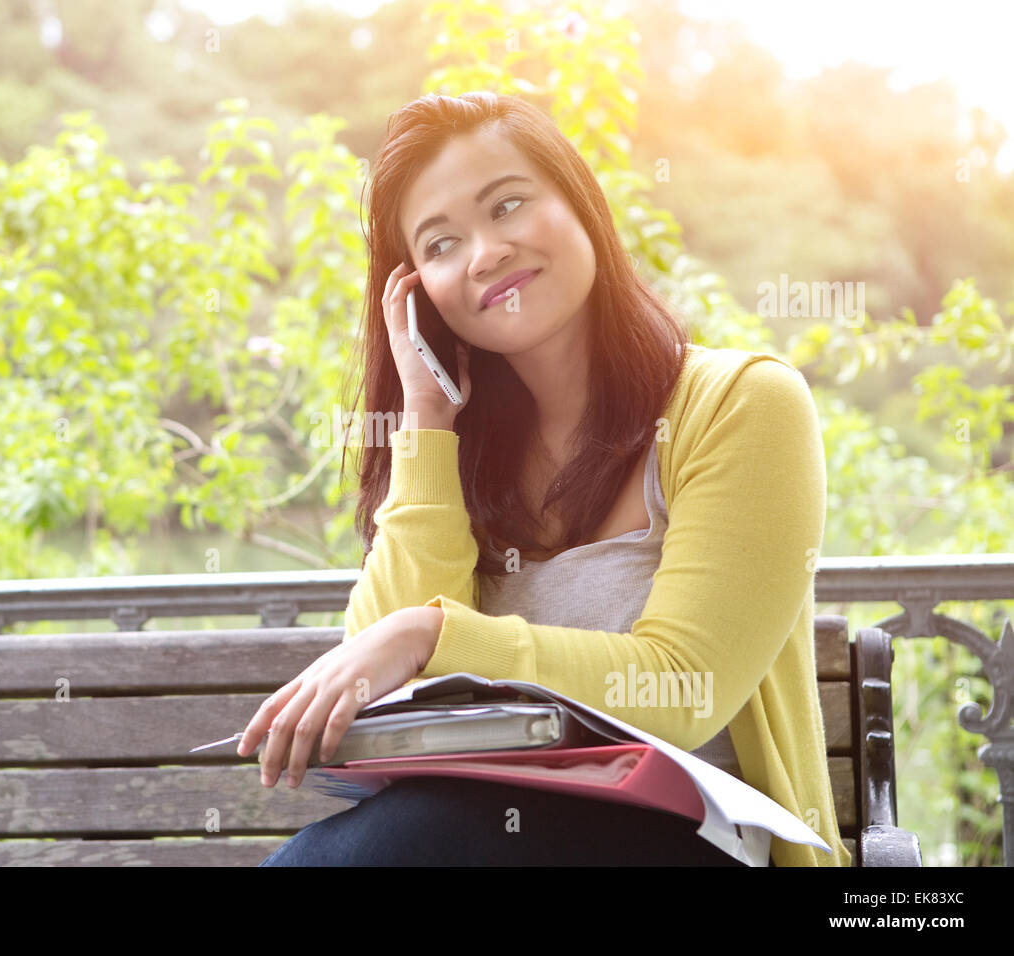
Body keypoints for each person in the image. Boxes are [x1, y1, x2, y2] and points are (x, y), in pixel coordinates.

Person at [239, 91, 851, 866]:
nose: (485, 252)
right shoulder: (462, 455)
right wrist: (426, 424)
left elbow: (683, 689)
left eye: (508, 205)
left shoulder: (742, 404)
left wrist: (430, 634)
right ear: (416, 296)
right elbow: (383, 705)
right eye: (440, 245)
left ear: (581, 204)